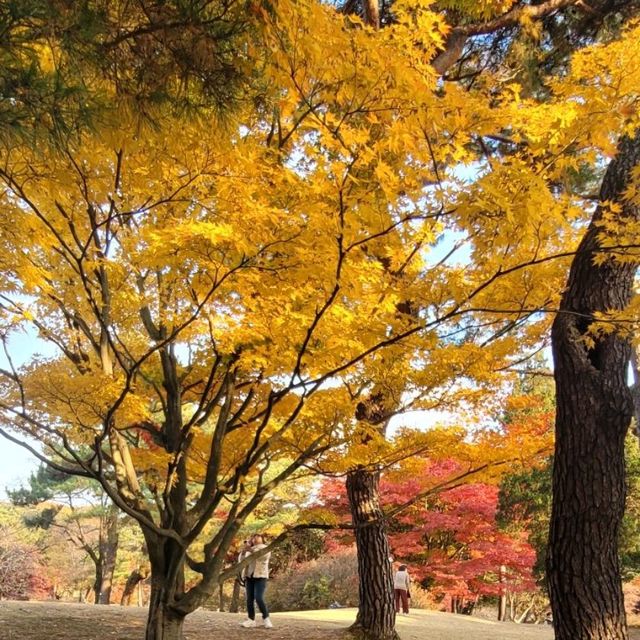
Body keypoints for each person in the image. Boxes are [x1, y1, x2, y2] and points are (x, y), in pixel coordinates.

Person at [239, 534, 273, 629]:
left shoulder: (265, 548)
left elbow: (263, 557)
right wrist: (243, 552)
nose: (255, 539)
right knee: (249, 599)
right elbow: (241, 561)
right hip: (249, 576)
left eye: (258, 537)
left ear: (262, 539)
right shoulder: (250, 549)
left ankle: (266, 619)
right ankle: (251, 620)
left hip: (261, 576)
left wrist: (250, 550)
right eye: (253, 537)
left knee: (259, 598)